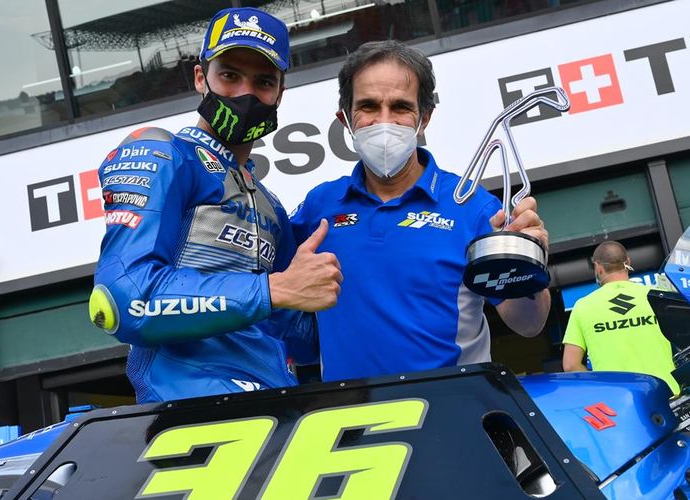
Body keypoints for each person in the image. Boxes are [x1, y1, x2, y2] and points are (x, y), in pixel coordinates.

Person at [88, 7, 342, 403]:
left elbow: (300, 332)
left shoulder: (271, 207)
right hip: (192, 410)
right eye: (229, 75)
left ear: (280, 93)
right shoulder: (164, 154)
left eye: (263, 81)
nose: (245, 93)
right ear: (200, 77)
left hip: (276, 400)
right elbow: (126, 298)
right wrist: (272, 289)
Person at [290, 40, 550, 382]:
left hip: (450, 408)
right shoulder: (319, 206)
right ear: (346, 119)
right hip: (347, 410)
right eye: (368, 106)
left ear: (424, 118)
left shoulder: (474, 207)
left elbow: (529, 324)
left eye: (400, 107)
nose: (384, 122)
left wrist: (529, 264)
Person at [562, 241, 679, 394]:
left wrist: (601, 387)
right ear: (628, 262)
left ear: (598, 267)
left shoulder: (583, 306)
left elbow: (570, 365)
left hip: (616, 399)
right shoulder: (657, 296)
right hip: (668, 392)